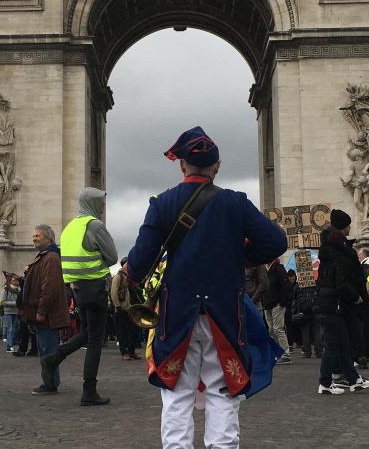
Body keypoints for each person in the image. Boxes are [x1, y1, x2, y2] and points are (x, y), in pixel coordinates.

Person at [125, 126, 286, 447]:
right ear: (217, 166)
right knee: (223, 392)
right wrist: (242, 257)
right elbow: (276, 241)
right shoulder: (236, 203)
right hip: (225, 313)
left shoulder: (162, 204)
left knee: (176, 395)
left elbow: (140, 263)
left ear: (182, 165)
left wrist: (127, 272)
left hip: (177, 314)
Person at [41, 187, 119, 406]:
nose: (103, 208)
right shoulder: (95, 225)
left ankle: (54, 357)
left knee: (85, 333)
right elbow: (112, 257)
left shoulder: (69, 228)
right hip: (96, 288)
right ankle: (89, 391)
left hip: (78, 289)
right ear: (92, 204)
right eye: (101, 203)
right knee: (95, 340)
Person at [315, 209, 369, 395]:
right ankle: (326, 383)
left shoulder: (328, 252)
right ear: (342, 228)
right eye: (348, 225)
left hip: (328, 302)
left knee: (340, 344)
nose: (351, 227)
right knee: (334, 345)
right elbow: (341, 283)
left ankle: (354, 380)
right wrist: (356, 297)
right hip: (335, 304)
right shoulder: (340, 256)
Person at [24, 224, 68, 394]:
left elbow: (48, 288)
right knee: (46, 349)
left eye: (37, 236)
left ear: (48, 238)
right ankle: (51, 381)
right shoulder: (46, 257)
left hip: (47, 315)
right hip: (44, 314)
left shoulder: (50, 258)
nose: (34, 238)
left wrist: (41, 311)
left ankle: (50, 384)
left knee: (48, 350)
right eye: (34, 236)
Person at [109, 258, 141, 360]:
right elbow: (113, 292)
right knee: (122, 332)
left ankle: (131, 351)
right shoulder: (118, 277)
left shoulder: (130, 278)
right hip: (122, 309)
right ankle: (124, 352)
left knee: (134, 331)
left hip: (131, 309)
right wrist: (117, 306)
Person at [264, 259, 292, 365]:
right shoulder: (266, 269)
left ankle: (286, 353)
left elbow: (286, 286)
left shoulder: (279, 269)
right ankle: (278, 352)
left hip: (276, 304)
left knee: (278, 329)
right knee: (271, 330)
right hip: (268, 304)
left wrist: (282, 302)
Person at [2, 275, 22, 353]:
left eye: (16, 280)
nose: (15, 281)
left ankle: (12, 344)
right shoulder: (6, 290)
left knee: (14, 329)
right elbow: (2, 302)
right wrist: (15, 303)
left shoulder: (18, 290)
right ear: (10, 281)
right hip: (8, 312)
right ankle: (9, 346)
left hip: (16, 312)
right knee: (9, 329)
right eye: (13, 280)